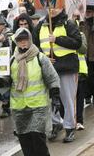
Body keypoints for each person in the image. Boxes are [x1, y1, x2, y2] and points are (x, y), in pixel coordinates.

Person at [9, 28, 61, 156]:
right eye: (20, 40)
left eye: (25, 40)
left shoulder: (40, 57)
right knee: (25, 141)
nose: (23, 43)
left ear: (30, 40)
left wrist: (55, 97)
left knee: (37, 138)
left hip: (38, 106)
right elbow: (6, 82)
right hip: (19, 107)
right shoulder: (11, 60)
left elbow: (52, 77)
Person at [33, 8, 82, 143]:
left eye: (55, 6)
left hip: (67, 67)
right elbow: (35, 46)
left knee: (68, 99)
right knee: (50, 99)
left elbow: (77, 43)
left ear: (61, 7)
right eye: (50, 7)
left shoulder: (69, 24)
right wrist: (44, 58)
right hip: (49, 68)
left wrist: (57, 40)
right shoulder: (41, 25)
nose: (52, 9)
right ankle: (56, 124)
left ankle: (70, 127)